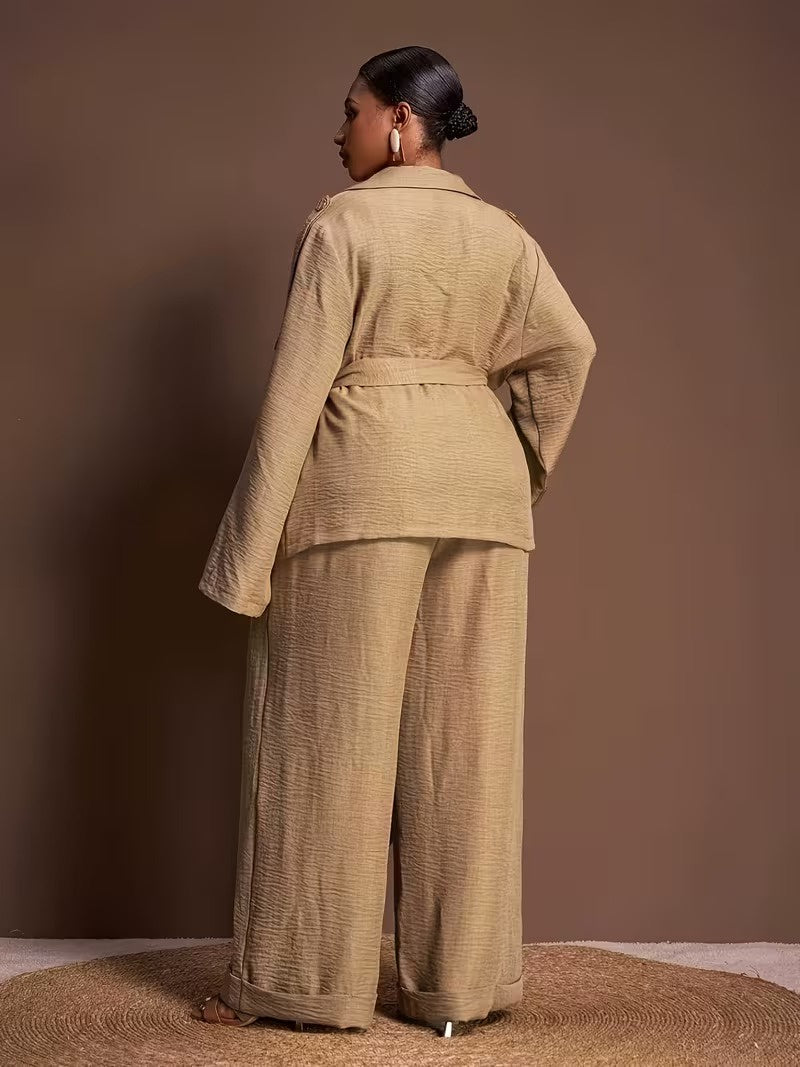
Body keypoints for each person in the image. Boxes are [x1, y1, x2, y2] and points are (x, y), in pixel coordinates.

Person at [191, 45, 596, 1038]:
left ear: (401, 123)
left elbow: (296, 391)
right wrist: (513, 468)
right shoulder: (503, 235)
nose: (339, 132)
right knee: (468, 748)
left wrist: (245, 557)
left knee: (324, 739)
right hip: (480, 495)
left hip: (360, 485)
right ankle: (457, 992)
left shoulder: (342, 225)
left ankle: (303, 987)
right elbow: (567, 350)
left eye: (352, 112)